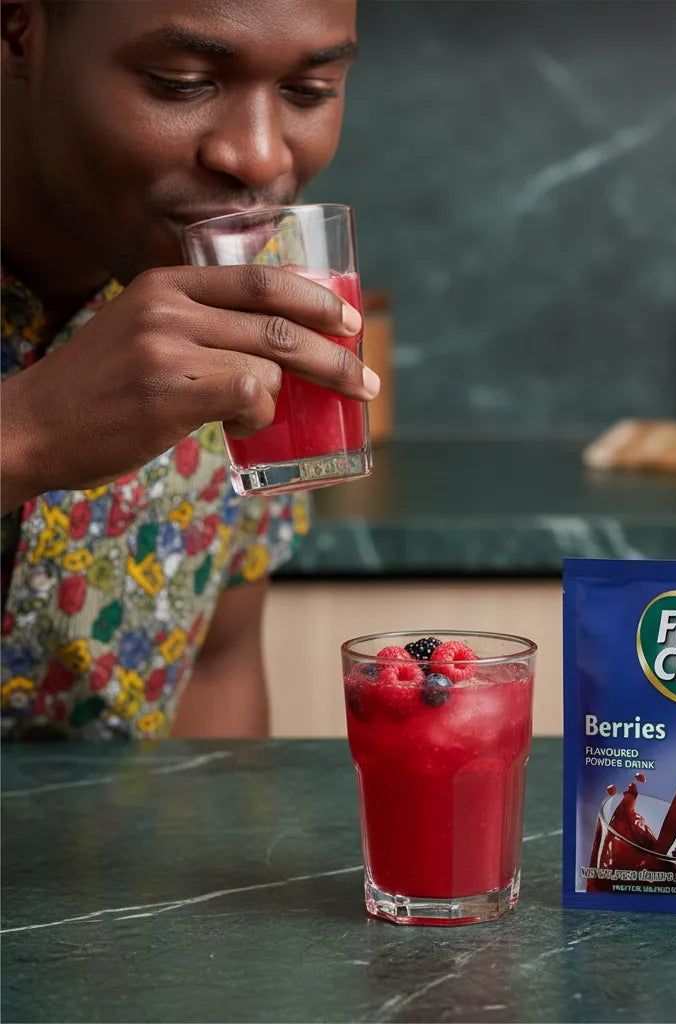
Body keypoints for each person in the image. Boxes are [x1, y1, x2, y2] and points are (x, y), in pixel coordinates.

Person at [0, 0, 375, 739]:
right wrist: (27, 433)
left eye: (309, 92)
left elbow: (216, 665)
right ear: (20, 30)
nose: (260, 158)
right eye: (181, 81)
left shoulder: (264, 291)